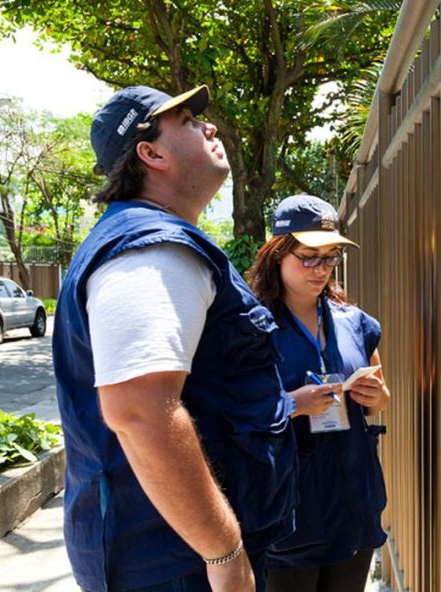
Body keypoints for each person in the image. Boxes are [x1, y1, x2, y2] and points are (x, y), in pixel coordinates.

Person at [53, 86, 335, 592]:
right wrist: (223, 550)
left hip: (177, 552)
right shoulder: (151, 248)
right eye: (185, 120)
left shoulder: (152, 240)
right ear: (151, 153)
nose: (209, 127)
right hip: (180, 563)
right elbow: (139, 410)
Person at [246, 195, 391, 592]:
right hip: (289, 510)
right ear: (277, 254)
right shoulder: (251, 327)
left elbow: (382, 398)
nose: (321, 269)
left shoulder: (354, 322)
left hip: (353, 502)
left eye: (330, 257)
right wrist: (293, 404)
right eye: (308, 256)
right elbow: (231, 412)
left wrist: (375, 396)